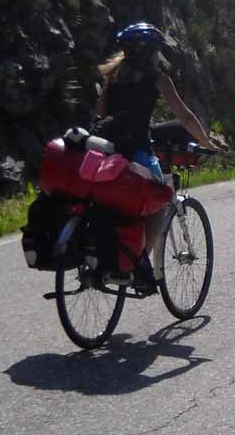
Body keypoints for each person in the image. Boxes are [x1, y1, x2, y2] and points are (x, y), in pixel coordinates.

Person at [94, 21, 221, 285]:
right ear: (150, 52)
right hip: (136, 152)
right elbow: (185, 117)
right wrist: (206, 142)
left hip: (105, 152)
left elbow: (101, 114)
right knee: (161, 200)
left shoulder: (112, 77)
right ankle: (140, 260)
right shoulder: (158, 79)